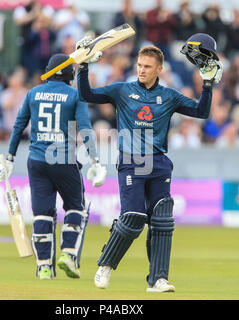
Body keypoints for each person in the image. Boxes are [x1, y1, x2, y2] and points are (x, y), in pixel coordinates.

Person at [76, 33, 222, 292]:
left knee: (163, 220)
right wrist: (84, 66)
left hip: (159, 163)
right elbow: (86, 94)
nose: (142, 70)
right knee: (133, 217)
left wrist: (207, 85)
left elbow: (201, 112)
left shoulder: (169, 96)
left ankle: (158, 279)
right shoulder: (122, 90)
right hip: (132, 162)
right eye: (140, 66)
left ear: (159, 70)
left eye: (147, 67)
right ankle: (106, 265)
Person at [0, 53, 107, 280]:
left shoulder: (33, 93)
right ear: (69, 73)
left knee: (42, 213)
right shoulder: (75, 95)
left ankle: (44, 266)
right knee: (75, 207)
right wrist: (94, 160)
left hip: (36, 161)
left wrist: (9, 158)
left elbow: (18, 126)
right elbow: (85, 128)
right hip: (63, 159)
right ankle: (67, 254)